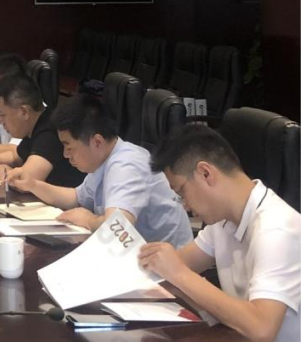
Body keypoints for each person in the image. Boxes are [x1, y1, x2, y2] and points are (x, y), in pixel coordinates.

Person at [138, 125, 299, 342]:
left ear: (205, 173)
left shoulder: (277, 229)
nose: (184, 205)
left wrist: (178, 273)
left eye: (181, 192)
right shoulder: (225, 220)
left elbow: (262, 328)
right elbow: (175, 264)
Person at [10, 94, 192, 246]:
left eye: (69, 147)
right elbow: (75, 198)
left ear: (96, 141)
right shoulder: (105, 159)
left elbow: (117, 226)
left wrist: (89, 220)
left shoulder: (126, 165)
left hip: (169, 268)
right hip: (135, 256)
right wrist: (33, 184)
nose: (65, 154)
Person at [0, 74, 85, 187]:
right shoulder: (36, 124)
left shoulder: (50, 131)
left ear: (24, 112)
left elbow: (27, 182)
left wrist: (4, 173)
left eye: (2, 114)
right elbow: (16, 156)